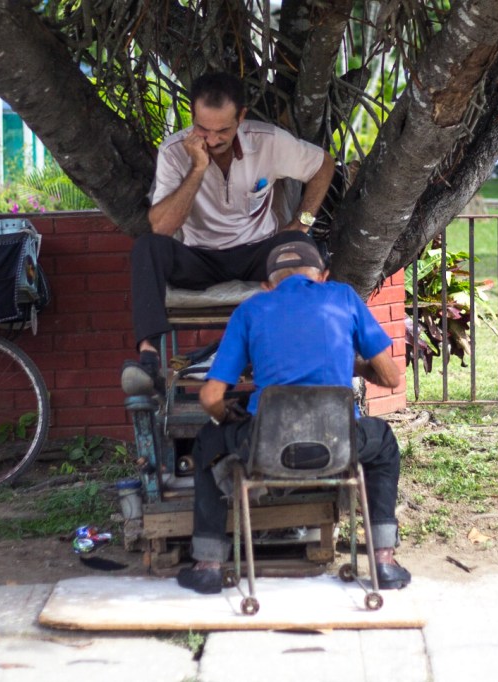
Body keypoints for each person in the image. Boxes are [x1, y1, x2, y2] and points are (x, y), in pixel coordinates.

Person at [175, 232, 412, 595]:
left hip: (265, 450)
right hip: (339, 446)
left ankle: (207, 565)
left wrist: (226, 417)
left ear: (267, 284)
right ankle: (383, 560)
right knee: (384, 442)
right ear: (323, 275)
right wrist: (354, 366)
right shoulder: (344, 298)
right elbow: (392, 377)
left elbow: (210, 397)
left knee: (208, 441)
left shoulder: (251, 310)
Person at [121, 72, 336, 396]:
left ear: (241, 117)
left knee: (299, 246)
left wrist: (302, 221)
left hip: (258, 251)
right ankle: (149, 360)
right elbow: (163, 227)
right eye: (203, 128)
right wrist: (196, 168)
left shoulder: (268, 142)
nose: (213, 138)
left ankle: (304, 354)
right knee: (147, 248)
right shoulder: (174, 151)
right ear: (192, 116)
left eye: (223, 130)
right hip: (199, 256)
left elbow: (323, 165)